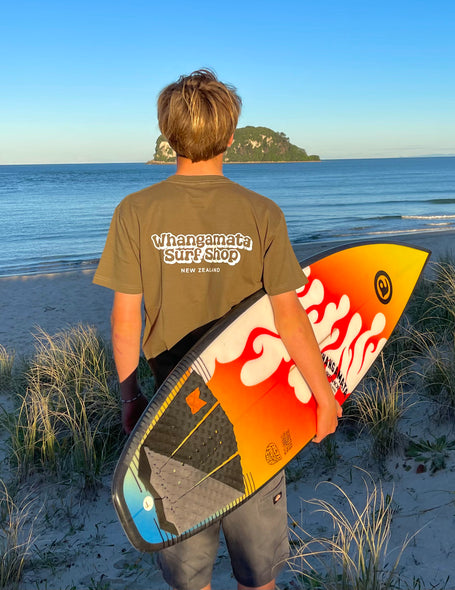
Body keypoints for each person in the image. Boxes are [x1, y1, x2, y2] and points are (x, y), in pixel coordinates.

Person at [93, 68, 341, 590]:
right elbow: (289, 315)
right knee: (259, 574)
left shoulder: (134, 212)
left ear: (168, 137)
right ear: (231, 137)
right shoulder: (262, 213)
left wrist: (130, 398)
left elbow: (124, 322)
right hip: (254, 410)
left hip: (172, 414)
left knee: (190, 576)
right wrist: (322, 395)